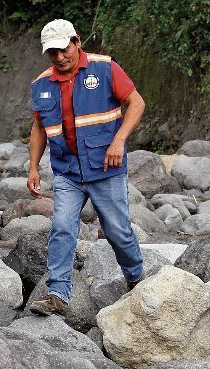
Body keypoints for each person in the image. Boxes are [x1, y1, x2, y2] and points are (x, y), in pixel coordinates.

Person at [27, 19, 145, 317]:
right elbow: (39, 128)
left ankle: (136, 278)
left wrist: (119, 140)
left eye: (63, 49)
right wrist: (33, 167)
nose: (59, 57)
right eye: (52, 53)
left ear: (77, 42)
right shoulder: (41, 84)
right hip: (67, 172)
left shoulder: (104, 68)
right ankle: (57, 295)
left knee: (117, 231)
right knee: (63, 228)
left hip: (106, 167)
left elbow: (137, 103)